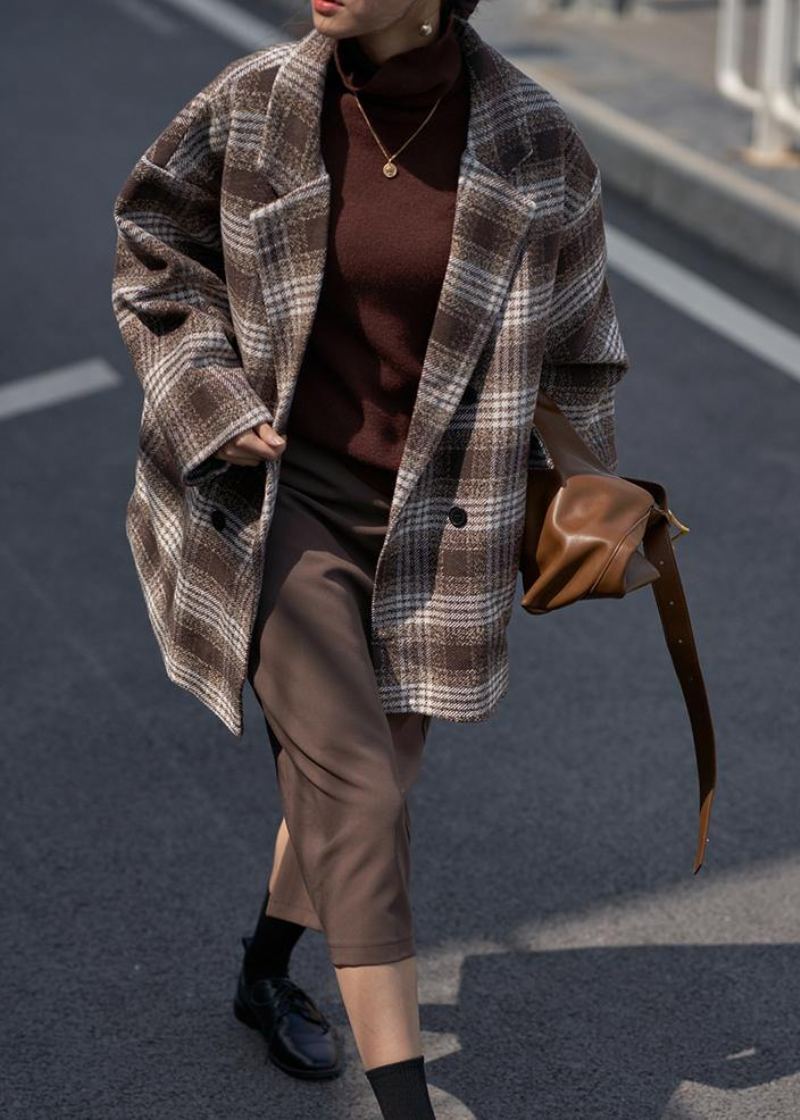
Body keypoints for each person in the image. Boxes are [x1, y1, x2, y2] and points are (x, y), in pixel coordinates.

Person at [110, 0, 630, 1115]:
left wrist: (570, 485)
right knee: (354, 786)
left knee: (369, 779)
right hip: (274, 500)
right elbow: (156, 258)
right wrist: (211, 393)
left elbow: (583, 348)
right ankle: (405, 1104)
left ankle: (264, 968)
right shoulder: (254, 104)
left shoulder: (534, 144)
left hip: (435, 527)